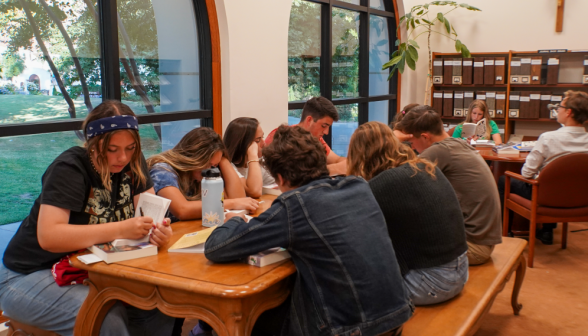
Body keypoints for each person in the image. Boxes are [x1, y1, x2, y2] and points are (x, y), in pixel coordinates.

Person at [205, 125, 413, 336]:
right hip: (396, 317)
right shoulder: (358, 186)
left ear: (281, 178)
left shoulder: (295, 204)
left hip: (352, 329)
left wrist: (235, 219)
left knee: (246, 319)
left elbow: (217, 247)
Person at [0, 101, 175, 336]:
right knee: (104, 314)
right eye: (112, 149)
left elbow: (148, 214)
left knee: (160, 302)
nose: (122, 157)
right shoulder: (70, 168)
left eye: (131, 148)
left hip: (91, 268)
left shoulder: (133, 162)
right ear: (92, 144)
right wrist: (121, 229)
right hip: (27, 275)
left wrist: (158, 232)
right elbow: (49, 237)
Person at [347, 121, 468, 305]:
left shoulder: (382, 184)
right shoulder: (424, 167)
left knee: (350, 282)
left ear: (360, 155)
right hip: (460, 270)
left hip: (433, 283)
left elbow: (352, 227)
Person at [395, 106, 503, 265]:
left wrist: (392, 139)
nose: (412, 147)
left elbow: (397, 182)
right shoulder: (457, 143)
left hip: (473, 248)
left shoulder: (439, 151)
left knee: (397, 244)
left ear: (425, 137)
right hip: (483, 241)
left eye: (411, 142)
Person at [498, 90, 588, 244]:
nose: (556, 110)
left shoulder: (548, 138)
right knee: (556, 183)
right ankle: (547, 232)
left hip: (546, 198)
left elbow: (526, 173)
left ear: (568, 112)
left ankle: (505, 233)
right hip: (579, 200)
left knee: (503, 180)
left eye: (559, 106)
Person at [147, 127, 259, 222]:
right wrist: (232, 203)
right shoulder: (162, 171)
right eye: (209, 164)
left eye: (214, 165)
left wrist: (222, 158)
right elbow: (182, 210)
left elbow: (238, 198)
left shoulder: (196, 175)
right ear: (194, 158)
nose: (211, 170)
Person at [265, 96, 347, 175]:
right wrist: (333, 169)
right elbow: (297, 175)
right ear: (309, 120)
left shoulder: (316, 139)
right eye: (323, 126)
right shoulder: (281, 137)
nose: (326, 132)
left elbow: (337, 160)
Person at [223, 117, 275, 198]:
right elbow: (254, 191)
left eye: (263, 137)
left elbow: (278, 184)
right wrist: (252, 155)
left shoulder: (262, 161)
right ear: (243, 144)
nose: (264, 143)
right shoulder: (228, 165)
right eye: (258, 140)